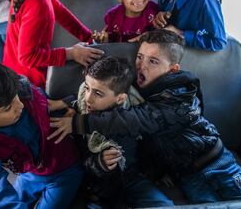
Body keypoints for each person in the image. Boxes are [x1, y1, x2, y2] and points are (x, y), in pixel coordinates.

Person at [50, 30, 241, 204]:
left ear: (172, 70)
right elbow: (99, 91)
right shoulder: (141, 90)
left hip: (214, 161)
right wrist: (67, 103)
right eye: (139, 57)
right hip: (185, 173)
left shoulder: (179, 97)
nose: (142, 65)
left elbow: (138, 120)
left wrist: (81, 123)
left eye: (153, 61)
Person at [0, 55, 84, 208]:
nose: (20, 106)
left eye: (16, 97)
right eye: (7, 108)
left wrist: (69, 104)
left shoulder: (22, 90)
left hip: (65, 168)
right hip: (30, 175)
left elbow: (50, 103)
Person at [49, 56, 173, 208]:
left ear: (120, 99)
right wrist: (99, 162)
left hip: (131, 179)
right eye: (87, 88)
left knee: (165, 205)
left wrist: (160, 172)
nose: (88, 98)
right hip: (97, 187)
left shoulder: (134, 115)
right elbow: (79, 157)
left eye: (98, 94)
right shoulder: (80, 113)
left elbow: (150, 145)